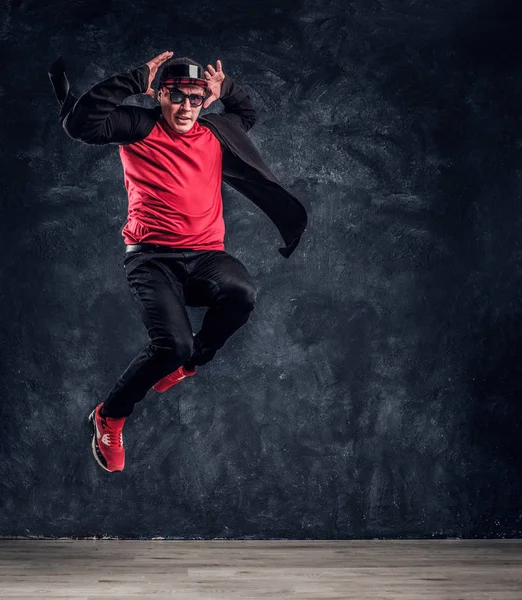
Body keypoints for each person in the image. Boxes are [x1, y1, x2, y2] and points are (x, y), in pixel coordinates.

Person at [48, 51, 308, 473]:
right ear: (160, 95)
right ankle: (110, 416)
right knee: (172, 344)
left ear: (204, 100)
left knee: (241, 294)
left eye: (195, 98)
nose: (185, 108)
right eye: (176, 97)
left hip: (206, 257)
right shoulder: (139, 126)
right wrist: (133, 78)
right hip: (152, 260)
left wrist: (228, 89)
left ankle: (191, 363)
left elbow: (246, 110)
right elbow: (80, 124)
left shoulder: (216, 130)